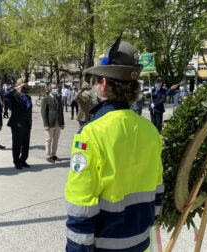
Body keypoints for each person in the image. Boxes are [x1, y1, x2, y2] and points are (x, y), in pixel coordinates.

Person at [65, 37, 163, 251]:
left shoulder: (90, 134)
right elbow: (157, 191)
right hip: (141, 242)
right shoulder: (151, 131)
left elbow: (81, 205)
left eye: (97, 80)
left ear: (105, 84)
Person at [5, 78, 32, 170]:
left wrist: (30, 123)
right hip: (17, 124)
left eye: (24, 85)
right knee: (17, 144)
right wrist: (15, 88)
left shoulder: (28, 97)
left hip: (27, 124)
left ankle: (23, 160)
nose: (23, 87)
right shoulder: (14, 96)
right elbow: (5, 95)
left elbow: (29, 111)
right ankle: (16, 161)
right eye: (22, 86)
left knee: (25, 144)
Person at [41, 83, 65, 163]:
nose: (56, 89)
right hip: (50, 123)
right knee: (48, 140)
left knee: (56, 140)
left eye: (56, 88)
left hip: (58, 123)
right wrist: (45, 124)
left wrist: (62, 123)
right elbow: (43, 113)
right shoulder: (46, 99)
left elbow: (61, 111)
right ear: (50, 89)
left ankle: (54, 155)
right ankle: (48, 156)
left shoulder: (58, 99)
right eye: (54, 88)